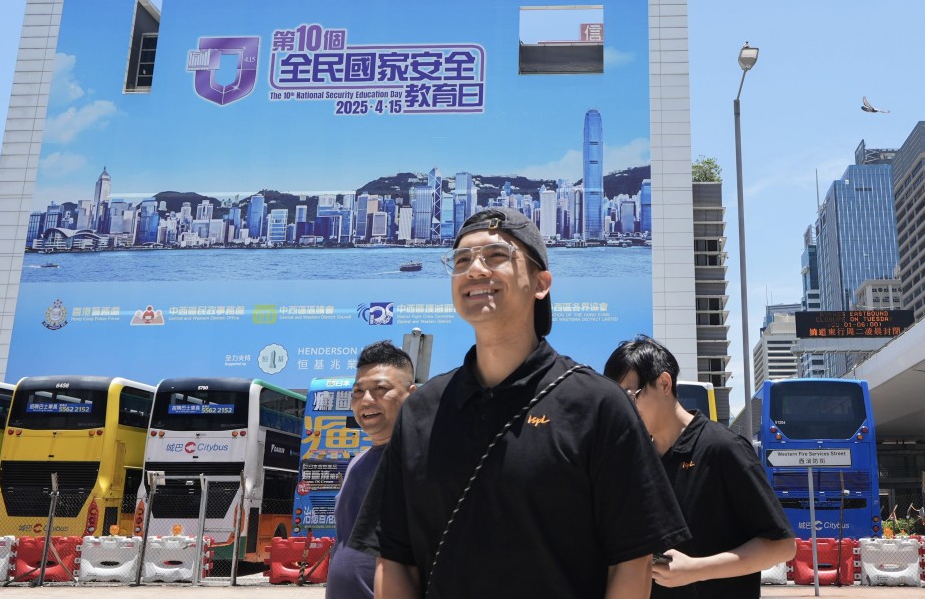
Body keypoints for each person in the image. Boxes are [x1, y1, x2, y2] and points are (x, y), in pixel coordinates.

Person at [351, 208, 689, 598]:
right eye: (461, 261)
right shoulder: (420, 412)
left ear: (541, 283)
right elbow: (394, 557)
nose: (475, 270)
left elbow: (631, 561)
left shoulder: (598, 404)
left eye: (496, 256)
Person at [603, 336, 795, 599]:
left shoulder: (723, 448)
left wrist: (695, 569)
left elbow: (782, 546)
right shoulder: (637, 459)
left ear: (664, 383)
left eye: (630, 397)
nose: (623, 410)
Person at [325, 340, 416, 599]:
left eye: (381, 389)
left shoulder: (423, 461)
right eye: (358, 391)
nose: (366, 399)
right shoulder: (356, 463)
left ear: (412, 394)